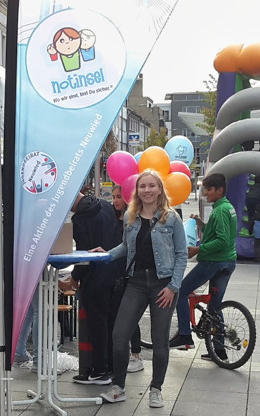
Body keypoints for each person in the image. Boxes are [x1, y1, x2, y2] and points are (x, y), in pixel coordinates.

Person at [96, 170, 187, 408]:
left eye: (151, 186)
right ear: (137, 191)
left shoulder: (172, 218)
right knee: (119, 335)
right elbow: (126, 247)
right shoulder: (131, 216)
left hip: (162, 284)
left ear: (159, 189)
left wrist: (173, 286)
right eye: (142, 186)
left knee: (159, 340)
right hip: (136, 282)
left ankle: (156, 389)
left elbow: (181, 254)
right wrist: (105, 254)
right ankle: (118, 386)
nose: (147, 190)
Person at [170, 173, 237, 363]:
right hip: (228, 262)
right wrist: (201, 223)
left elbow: (222, 240)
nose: (205, 193)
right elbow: (219, 231)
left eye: (208, 189)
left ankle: (184, 334)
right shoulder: (227, 207)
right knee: (214, 307)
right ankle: (219, 351)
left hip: (213, 262)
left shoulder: (220, 211)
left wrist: (199, 249)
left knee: (180, 292)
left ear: (219, 190)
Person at [59, 191, 119, 385]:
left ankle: (99, 371)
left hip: (95, 278)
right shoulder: (107, 205)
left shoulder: (80, 219)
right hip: (115, 272)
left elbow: (84, 255)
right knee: (110, 323)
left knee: (97, 325)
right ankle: (111, 366)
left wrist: (75, 278)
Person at [111, 185, 144, 373]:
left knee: (131, 315)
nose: (115, 200)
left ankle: (136, 354)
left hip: (131, 272)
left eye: (119, 197)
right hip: (119, 272)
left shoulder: (133, 219)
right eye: (114, 197)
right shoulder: (115, 218)